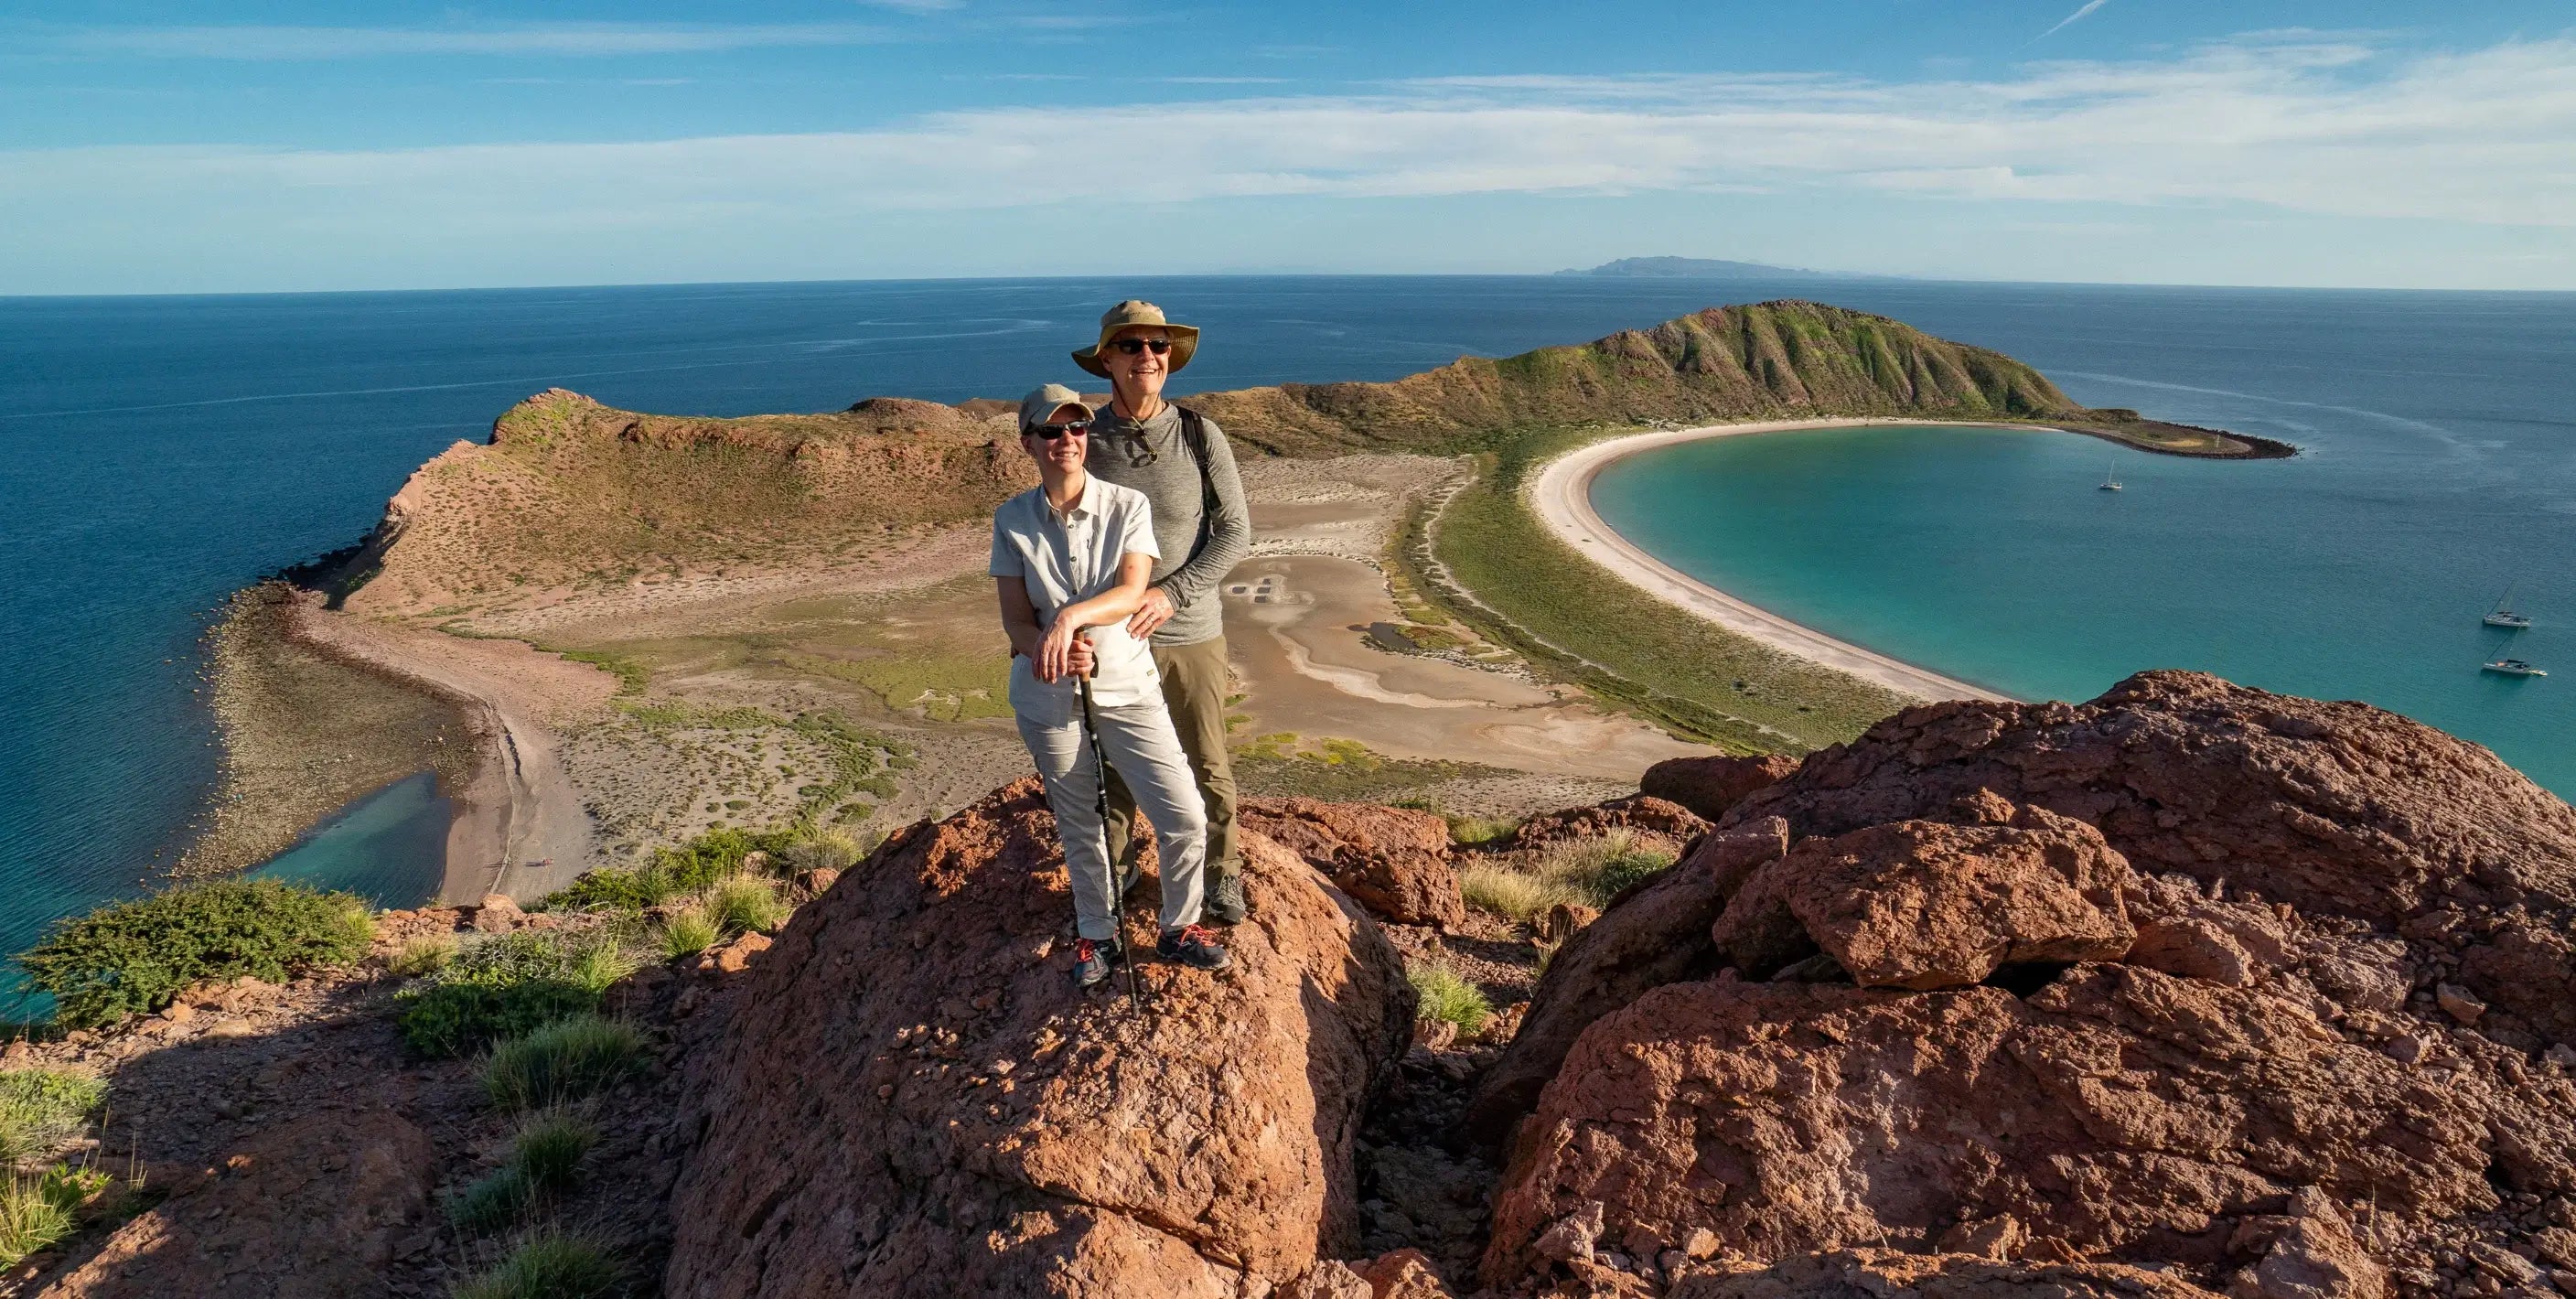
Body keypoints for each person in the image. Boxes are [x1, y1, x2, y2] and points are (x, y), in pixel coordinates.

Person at [992, 382, 1229, 988]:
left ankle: (1179, 928)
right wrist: (1042, 645)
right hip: (1048, 697)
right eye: (1051, 431)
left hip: (1127, 683)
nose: (1067, 439)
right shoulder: (1013, 520)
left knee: (1182, 812)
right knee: (1082, 826)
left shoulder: (1126, 506)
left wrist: (1070, 616)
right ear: (1029, 443)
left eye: (1076, 427)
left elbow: (1131, 590)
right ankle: (1096, 933)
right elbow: (1016, 619)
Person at [1070, 301, 1256, 925]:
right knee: (1112, 761)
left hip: (1190, 631)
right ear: (1107, 360)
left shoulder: (1201, 436)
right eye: (1131, 346)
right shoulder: (1085, 440)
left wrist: (1170, 593)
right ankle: (1118, 867)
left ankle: (1221, 872)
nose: (1146, 356)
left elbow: (1233, 533)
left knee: (1206, 759)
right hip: (1111, 637)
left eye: (1157, 345)